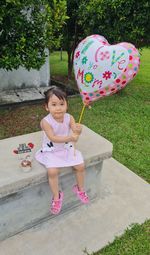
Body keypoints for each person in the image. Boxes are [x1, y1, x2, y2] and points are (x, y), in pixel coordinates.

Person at [35, 86, 89, 215]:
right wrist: (70, 137)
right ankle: (56, 196)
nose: (58, 108)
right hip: (52, 149)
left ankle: (80, 188)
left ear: (67, 105)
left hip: (66, 147)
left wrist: (77, 131)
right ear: (47, 107)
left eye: (61, 104)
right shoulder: (45, 122)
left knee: (80, 166)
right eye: (54, 104)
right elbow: (53, 138)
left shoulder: (69, 118)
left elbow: (74, 135)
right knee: (53, 171)